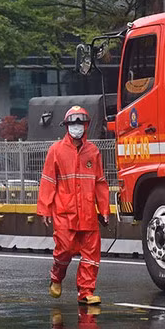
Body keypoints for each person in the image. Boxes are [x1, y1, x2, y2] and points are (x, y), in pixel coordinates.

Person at [37, 106, 110, 305]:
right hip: (64, 212)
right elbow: (48, 181)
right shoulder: (56, 150)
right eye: (73, 123)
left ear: (85, 126)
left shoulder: (93, 151)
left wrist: (104, 209)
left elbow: (100, 182)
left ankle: (86, 292)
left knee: (91, 254)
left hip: (88, 212)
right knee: (65, 250)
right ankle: (56, 276)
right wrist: (45, 209)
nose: (76, 127)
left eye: (80, 123)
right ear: (67, 126)